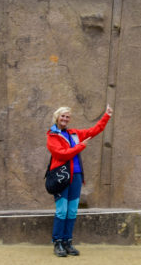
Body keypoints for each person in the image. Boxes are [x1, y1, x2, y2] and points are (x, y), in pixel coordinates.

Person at [46, 104, 113, 257]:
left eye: (67, 116)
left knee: (72, 211)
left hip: (76, 176)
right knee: (62, 211)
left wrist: (106, 115)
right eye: (62, 116)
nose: (65, 119)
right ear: (57, 117)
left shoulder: (74, 133)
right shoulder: (52, 136)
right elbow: (62, 154)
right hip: (61, 177)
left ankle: (67, 242)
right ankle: (57, 243)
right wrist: (80, 147)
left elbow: (94, 130)